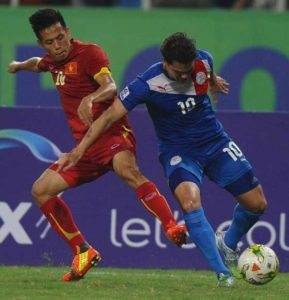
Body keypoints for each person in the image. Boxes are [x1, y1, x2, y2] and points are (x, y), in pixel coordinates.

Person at [58, 32, 268, 287]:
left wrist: (212, 82)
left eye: (187, 70)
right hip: (179, 151)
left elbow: (208, 70)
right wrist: (80, 150)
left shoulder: (202, 61)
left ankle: (228, 242)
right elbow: (108, 118)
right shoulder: (146, 84)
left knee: (257, 204)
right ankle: (223, 273)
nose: (184, 76)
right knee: (190, 201)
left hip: (215, 142)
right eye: (179, 71)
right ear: (165, 62)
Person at [7, 9, 187, 281]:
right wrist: (20, 65)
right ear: (42, 44)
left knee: (128, 170)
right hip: (85, 148)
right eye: (50, 42)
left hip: (112, 133)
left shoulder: (90, 54)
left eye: (60, 37)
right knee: (41, 191)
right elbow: (38, 63)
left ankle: (171, 225)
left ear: (67, 32)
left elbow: (111, 86)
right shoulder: (52, 61)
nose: (58, 45)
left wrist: (91, 98)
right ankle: (82, 250)